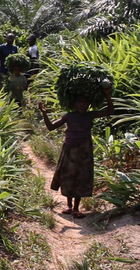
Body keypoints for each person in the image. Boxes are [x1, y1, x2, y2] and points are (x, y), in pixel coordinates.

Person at [38, 86, 114, 218]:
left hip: (84, 149)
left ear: (88, 104)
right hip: (69, 149)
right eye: (79, 102)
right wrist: (44, 112)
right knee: (68, 175)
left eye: (84, 102)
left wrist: (107, 94)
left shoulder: (90, 115)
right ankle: (68, 206)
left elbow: (110, 110)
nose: (81, 105)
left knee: (81, 176)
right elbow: (51, 127)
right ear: (74, 104)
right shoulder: (69, 116)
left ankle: (76, 208)